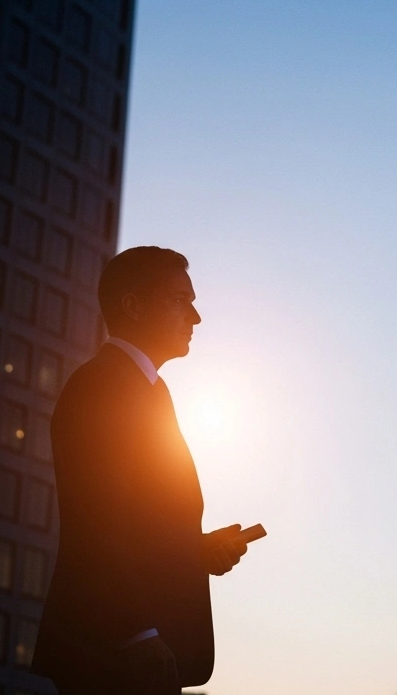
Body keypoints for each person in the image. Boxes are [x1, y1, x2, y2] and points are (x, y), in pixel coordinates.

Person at [33, 247, 254, 695]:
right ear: (133, 306)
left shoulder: (149, 389)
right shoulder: (102, 386)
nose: (195, 317)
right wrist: (137, 632)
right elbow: (95, 522)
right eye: (180, 300)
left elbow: (134, 523)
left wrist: (197, 550)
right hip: (114, 653)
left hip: (138, 651)